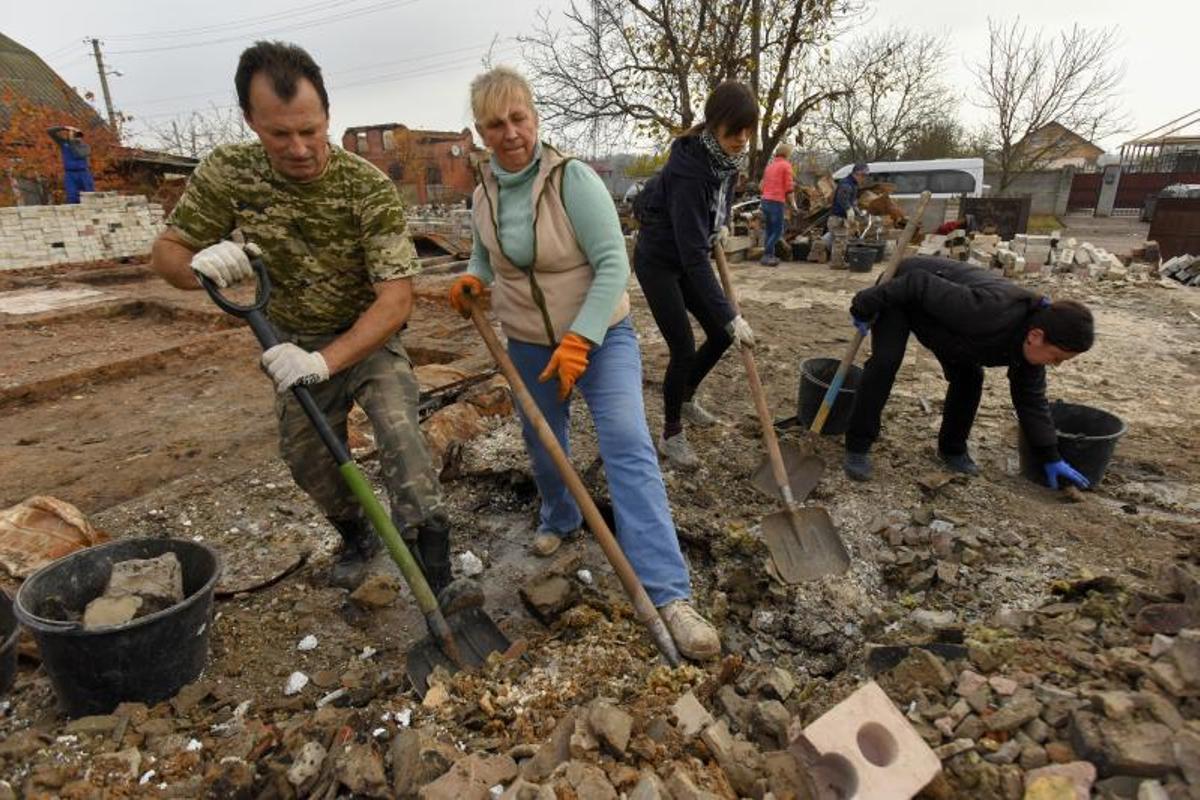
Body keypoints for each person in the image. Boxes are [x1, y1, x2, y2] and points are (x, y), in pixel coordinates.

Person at [149, 41, 453, 594]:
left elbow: (396, 300)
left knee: (402, 435)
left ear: (328, 115)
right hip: (288, 340)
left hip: (367, 338)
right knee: (306, 457)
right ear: (250, 120)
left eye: (311, 130)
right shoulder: (229, 173)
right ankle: (357, 535)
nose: (300, 148)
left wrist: (326, 360)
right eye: (279, 134)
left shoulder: (365, 188)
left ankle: (437, 571)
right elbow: (165, 254)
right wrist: (198, 266)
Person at [447, 66, 720, 661]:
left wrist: (581, 340)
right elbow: (484, 251)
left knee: (626, 439)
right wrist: (473, 275)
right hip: (526, 342)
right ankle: (561, 516)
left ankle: (670, 594)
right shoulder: (483, 194)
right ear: (480, 133)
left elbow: (612, 265)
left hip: (602, 338)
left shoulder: (573, 181)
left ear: (534, 116)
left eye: (518, 118)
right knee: (543, 443)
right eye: (496, 124)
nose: (510, 132)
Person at [843, 255, 1095, 488]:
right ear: (1036, 336)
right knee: (885, 362)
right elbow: (917, 283)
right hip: (900, 290)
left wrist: (1050, 455)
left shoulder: (1030, 349)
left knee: (970, 377)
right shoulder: (988, 310)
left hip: (948, 327)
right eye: (1057, 357)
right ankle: (857, 445)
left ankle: (952, 449)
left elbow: (1031, 402)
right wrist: (863, 305)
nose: (1055, 364)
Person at [632, 82, 759, 469]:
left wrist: (718, 223)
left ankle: (685, 398)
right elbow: (693, 258)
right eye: (734, 131)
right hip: (659, 262)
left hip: (686, 252)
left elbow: (719, 198)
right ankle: (671, 433)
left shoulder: (723, 159)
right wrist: (731, 314)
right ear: (713, 124)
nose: (742, 139)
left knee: (719, 336)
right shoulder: (689, 172)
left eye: (747, 130)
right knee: (684, 348)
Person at [759, 143, 798, 266]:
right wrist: (793, 204)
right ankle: (767, 255)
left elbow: (761, 186)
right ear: (787, 154)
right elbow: (789, 188)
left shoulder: (770, 166)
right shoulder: (786, 166)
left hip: (765, 201)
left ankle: (770, 255)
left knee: (769, 230)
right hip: (776, 202)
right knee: (778, 231)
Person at [828, 162, 869, 269]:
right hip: (838, 218)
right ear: (857, 173)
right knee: (840, 241)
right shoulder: (846, 184)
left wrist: (857, 212)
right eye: (863, 176)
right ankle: (837, 263)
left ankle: (837, 261)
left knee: (841, 240)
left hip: (839, 217)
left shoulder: (853, 184)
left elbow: (853, 201)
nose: (864, 178)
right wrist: (848, 209)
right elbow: (842, 198)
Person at [47, 125, 94, 204]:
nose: (77, 137)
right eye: (75, 135)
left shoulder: (85, 147)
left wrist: (72, 142)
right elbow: (50, 131)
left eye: (79, 136)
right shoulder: (64, 143)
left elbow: (78, 154)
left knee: (88, 194)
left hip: (83, 173)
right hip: (70, 173)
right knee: (72, 196)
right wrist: (64, 127)